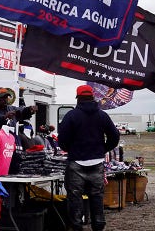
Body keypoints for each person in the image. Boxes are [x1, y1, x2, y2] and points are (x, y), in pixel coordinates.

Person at [58, 85, 120, 231]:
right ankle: (98, 227)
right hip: (97, 162)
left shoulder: (71, 116)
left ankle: (77, 227)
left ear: (78, 98)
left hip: (76, 163)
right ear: (93, 97)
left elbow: (62, 140)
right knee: (97, 197)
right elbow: (115, 136)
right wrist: (102, 149)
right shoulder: (102, 115)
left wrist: (71, 150)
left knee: (75, 198)